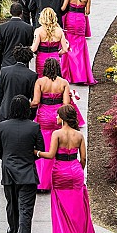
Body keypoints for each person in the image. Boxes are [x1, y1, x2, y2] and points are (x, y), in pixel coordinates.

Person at [36, 105, 99, 233]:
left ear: (63, 118)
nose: (55, 118)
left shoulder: (57, 133)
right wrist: (79, 169)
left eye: (58, 115)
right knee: (77, 206)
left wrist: (36, 152)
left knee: (61, 207)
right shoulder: (79, 135)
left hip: (60, 172)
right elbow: (83, 158)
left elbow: (51, 155)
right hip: (75, 170)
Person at [0, 95, 44, 233]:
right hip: (28, 173)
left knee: (12, 204)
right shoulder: (34, 127)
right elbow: (40, 149)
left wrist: (7, 159)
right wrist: (28, 157)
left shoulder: (2, 126)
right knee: (26, 210)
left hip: (8, 172)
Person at [31, 58, 73, 192]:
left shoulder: (40, 82)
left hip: (43, 116)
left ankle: (40, 181)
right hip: (57, 117)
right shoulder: (64, 82)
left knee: (42, 145)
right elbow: (66, 103)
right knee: (56, 147)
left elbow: (36, 101)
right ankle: (52, 181)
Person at [61, 0, 96, 86]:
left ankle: (68, 74)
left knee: (69, 44)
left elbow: (63, 8)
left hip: (70, 19)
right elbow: (87, 12)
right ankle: (80, 75)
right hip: (80, 21)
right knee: (80, 47)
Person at [0, 46, 39, 122]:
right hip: (23, 113)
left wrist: (0, 109)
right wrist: (31, 115)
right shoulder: (32, 75)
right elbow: (33, 97)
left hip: (6, 111)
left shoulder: (4, 71)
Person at [0, 3, 37, 73]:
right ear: (21, 13)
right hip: (23, 63)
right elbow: (29, 45)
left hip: (7, 64)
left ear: (10, 12)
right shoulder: (28, 28)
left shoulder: (3, 28)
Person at [31, 7, 70, 77]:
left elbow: (34, 49)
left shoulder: (38, 31)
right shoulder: (59, 31)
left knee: (41, 79)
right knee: (54, 79)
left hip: (41, 59)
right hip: (55, 58)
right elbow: (65, 49)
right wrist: (57, 53)